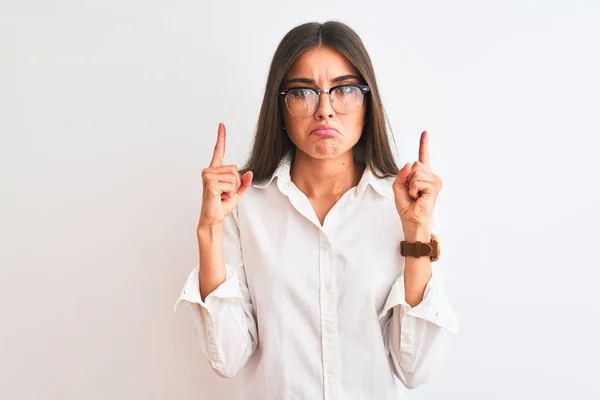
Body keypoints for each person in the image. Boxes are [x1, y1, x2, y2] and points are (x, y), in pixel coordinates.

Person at [175, 20, 459, 400]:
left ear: (367, 101)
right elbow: (227, 358)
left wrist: (417, 234)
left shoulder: (406, 204)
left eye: (343, 90)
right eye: (303, 93)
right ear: (280, 106)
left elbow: (416, 369)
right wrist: (209, 232)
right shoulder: (244, 207)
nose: (325, 110)